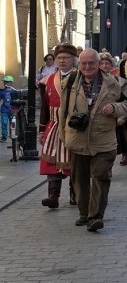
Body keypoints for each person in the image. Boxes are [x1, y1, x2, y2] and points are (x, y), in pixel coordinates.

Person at [59, 48, 127, 232]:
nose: (87, 66)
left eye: (91, 63)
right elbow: (62, 111)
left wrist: (115, 108)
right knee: (79, 180)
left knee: (100, 177)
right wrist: (63, 136)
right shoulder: (71, 81)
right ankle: (84, 213)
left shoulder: (112, 83)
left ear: (99, 64)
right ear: (79, 64)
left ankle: (95, 216)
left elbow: (125, 105)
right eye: (84, 63)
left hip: (103, 140)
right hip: (77, 139)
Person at [37, 44, 78, 208]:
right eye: (59, 58)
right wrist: (41, 130)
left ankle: (76, 193)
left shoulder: (79, 77)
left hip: (73, 125)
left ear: (73, 60)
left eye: (65, 58)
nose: (61, 61)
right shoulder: (48, 80)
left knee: (74, 159)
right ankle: (53, 196)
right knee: (52, 161)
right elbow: (44, 107)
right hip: (53, 125)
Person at [0, 75, 17, 142]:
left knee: (13, 123)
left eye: (7, 82)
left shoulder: (14, 91)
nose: (6, 83)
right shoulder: (2, 91)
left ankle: (12, 135)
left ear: (11, 83)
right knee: (4, 123)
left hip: (13, 110)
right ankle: (4, 136)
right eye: (5, 82)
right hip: (4, 110)